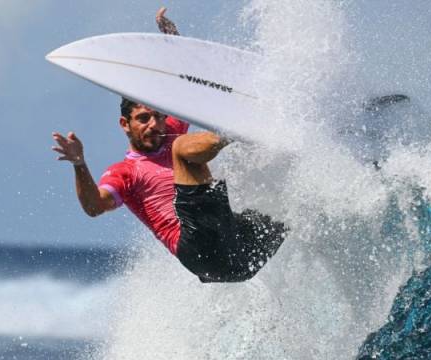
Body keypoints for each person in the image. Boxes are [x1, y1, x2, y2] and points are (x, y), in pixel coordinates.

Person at [52, 7, 287, 283]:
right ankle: (239, 130)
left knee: (288, 210)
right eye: (143, 118)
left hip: (238, 256)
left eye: (159, 116)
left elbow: (186, 90)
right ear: (124, 124)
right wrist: (80, 164)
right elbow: (95, 207)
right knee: (182, 151)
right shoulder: (125, 172)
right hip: (200, 252)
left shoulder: (168, 130)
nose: (155, 125)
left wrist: (175, 46)